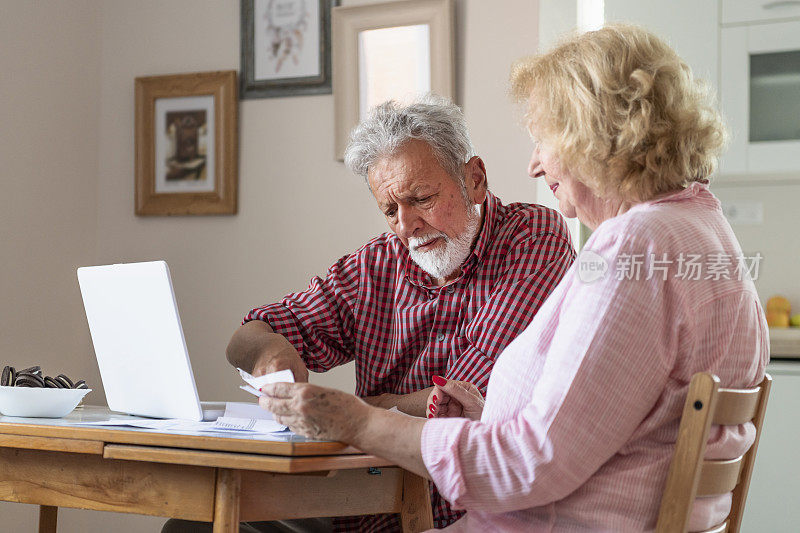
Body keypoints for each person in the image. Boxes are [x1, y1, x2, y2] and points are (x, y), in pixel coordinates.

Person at [259, 24, 769, 532]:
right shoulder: (703, 229)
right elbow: (601, 423)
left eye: (543, 139)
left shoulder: (631, 246)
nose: (533, 164)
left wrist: (360, 421)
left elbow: (530, 464)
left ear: (591, 138)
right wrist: (487, 412)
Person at [224, 96, 576, 532]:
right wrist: (270, 357)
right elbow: (248, 335)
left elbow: (456, 402)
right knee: (191, 526)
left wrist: (350, 413)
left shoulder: (531, 237)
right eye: (390, 210)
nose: (406, 225)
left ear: (475, 179)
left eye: (422, 198)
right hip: (366, 507)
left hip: (462, 514)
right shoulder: (376, 264)